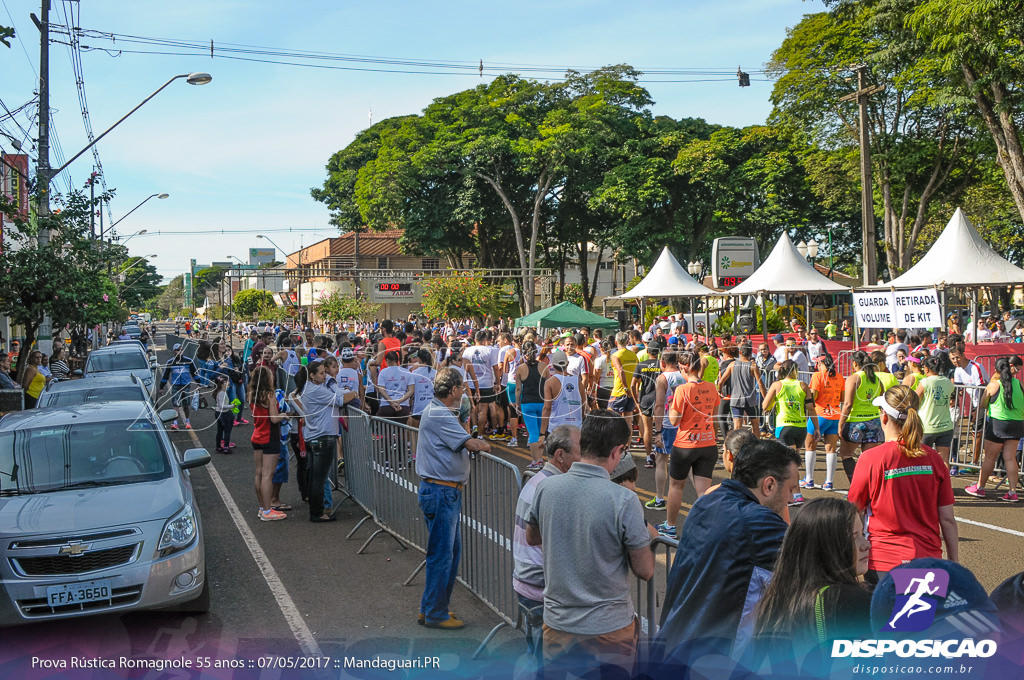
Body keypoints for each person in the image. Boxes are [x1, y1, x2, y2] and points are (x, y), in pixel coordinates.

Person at [525, 410, 653, 676]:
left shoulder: (547, 488)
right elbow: (645, 570)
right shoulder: (623, 500)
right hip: (609, 629)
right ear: (617, 451)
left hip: (558, 624)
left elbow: (532, 537)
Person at [657, 439, 800, 661]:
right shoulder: (758, 523)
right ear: (769, 485)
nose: (791, 498)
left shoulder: (707, 502)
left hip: (673, 643)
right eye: (790, 489)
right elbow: (813, 566)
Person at [848, 385, 958, 583]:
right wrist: (954, 563)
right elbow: (947, 519)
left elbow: (854, 511)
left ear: (884, 417)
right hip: (929, 562)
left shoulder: (870, 459)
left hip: (883, 561)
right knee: (922, 615)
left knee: (882, 614)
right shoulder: (934, 459)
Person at [416, 367, 491, 629]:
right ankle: (436, 612)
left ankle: (432, 608)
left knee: (447, 552)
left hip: (443, 490)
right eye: (462, 388)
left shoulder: (439, 411)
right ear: (455, 390)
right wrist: (483, 443)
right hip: (441, 491)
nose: (465, 393)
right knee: (442, 555)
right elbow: (471, 443)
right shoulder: (439, 413)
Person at [753, 498, 872, 660]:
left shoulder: (776, 598)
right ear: (826, 547)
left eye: (863, 534)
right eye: (853, 537)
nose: (866, 544)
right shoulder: (847, 600)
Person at [512, 425, 582, 653]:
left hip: (530, 584)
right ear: (561, 455)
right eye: (580, 450)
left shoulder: (538, 479)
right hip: (541, 590)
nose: (585, 457)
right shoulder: (554, 489)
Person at [657, 351, 721, 538]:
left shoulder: (682, 390)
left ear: (684, 367)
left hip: (686, 444)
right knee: (703, 491)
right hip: (708, 442)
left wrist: (670, 406)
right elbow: (715, 419)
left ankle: (670, 526)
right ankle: (709, 528)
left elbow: (675, 420)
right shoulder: (712, 387)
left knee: (676, 486)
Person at [302, 359, 358, 521]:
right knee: (319, 479)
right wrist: (353, 393)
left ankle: (317, 510)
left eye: (324, 372)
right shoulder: (315, 390)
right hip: (322, 437)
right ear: (312, 375)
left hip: (315, 435)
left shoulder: (310, 387)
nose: (324, 376)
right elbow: (339, 400)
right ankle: (318, 512)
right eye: (321, 373)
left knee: (316, 477)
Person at [965, 356, 1022, 501]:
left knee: (990, 457)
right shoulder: (1019, 384)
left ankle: (980, 487)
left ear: (996, 370)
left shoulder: (994, 384)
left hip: (998, 424)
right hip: (1017, 424)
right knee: (1010, 458)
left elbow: (983, 404)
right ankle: (1012, 492)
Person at [836, 350, 884, 486]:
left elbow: (848, 404)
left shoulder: (854, 378)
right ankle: (872, 488)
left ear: (855, 363)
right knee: (869, 458)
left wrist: (840, 424)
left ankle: (856, 488)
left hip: (856, 422)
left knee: (846, 454)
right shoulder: (876, 379)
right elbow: (882, 399)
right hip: (874, 422)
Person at [248, 365, 288, 522]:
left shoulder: (252, 394)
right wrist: (284, 415)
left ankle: (262, 507)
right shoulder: (270, 395)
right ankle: (267, 509)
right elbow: (273, 418)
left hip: (257, 435)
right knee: (267, 475)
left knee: (258, 473)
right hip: (269, 437)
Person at [804, 353, 843, 491]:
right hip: (835, 415)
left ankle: (809, 478)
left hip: (820, 414)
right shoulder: (839, 376)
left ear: (820, 364)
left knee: (810, 445)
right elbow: (842, 397)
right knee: (831, 449)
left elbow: (813, 396)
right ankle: (829, 481)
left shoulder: (817, 376)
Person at [916, 355, 956, 467]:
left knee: (921, 459)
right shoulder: (948, 381)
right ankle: (946, 484)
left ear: (927, 369)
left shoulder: (925, 382)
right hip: (945, 425)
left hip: (927, 426)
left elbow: (914, 398)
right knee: (944, 461)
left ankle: (924, 484)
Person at [515, 340, 549, 471]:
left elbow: (518, 389)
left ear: (524, 353)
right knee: (541, 432)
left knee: (533, 433)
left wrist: (517, 404)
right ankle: (540, 459)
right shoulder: (544, 366)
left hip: (527, 403)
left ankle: (535, 461)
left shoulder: (521, 368)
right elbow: (548, 385)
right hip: (542, 402)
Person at [159, 343, 198, 430]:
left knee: (186, 405)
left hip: (186, 386)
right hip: (176, 386)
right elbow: (165, 376)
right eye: (178, 350)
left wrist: (199, 383)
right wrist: (161, 387)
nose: (180, 351)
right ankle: (175, 423)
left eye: (181, 349)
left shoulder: (189, 361)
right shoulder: (170, 362)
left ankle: (187, 421)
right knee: (176, 405)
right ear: (174, 351)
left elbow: (194, 373)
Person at [212, 375, 235, 453]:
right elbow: (222, 405)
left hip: (218, 413)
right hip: (224, 413)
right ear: (221, 384)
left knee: (220, 430)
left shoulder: (220, 392)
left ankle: (218, 446)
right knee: (227, 430)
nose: (228, 383)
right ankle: (226, 447)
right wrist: (232, 406)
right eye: (225, 382)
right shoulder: (222, 393)